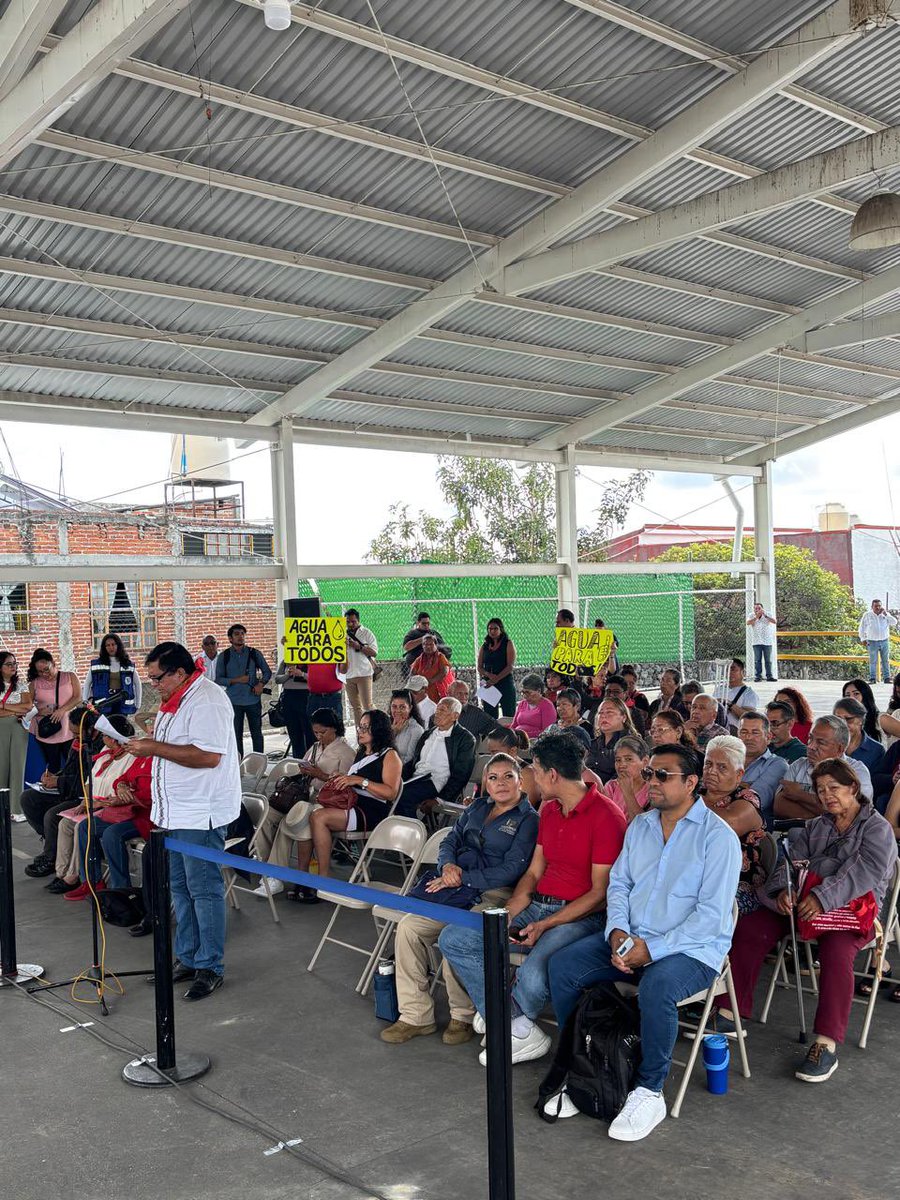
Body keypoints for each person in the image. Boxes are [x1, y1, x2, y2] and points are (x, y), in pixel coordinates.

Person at [546, 742, 740, 1142]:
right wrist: (617, 931)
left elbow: (710, 917)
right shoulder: (641, 826)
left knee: (657, 986)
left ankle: (649, 1089)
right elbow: (619, 885)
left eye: (662, 775)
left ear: (690, 783)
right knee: (563, 967)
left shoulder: (718, 839)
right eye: (649, 773)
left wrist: (649, 950)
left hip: (692, 950)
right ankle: (586, 1065)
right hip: (631, 939)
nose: (650, 781)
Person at [438, 730, 626, 1066]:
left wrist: (545, 924)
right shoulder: (551, 810)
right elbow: (534, 872)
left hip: (580, 915)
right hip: (538, 903)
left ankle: (508, 1024)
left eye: (535, 771)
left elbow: (600, 893)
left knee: (534, 975)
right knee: (455, 937)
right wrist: (509, 912)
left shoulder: (607, 816)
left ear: (551, 775)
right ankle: (515, 1024)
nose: (531, 777)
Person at [722, 758, 897, 1083]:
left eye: (835, 788)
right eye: (821, 790)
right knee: (750, 927)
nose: (828, 795)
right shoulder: (816, 826)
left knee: (836, 953)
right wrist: (784, 892)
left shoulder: (877, 828)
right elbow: (790, 865)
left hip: (850, 910)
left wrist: (821, 895)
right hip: (803, 902)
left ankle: (825, 1043)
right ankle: (729, 1011)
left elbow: (862, 874)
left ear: (853, 789)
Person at [381, 753, 539, 1046]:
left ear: (520, 780)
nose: (500, 783)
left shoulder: (529, 819)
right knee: (408, 927)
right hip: (451, 885)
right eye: (493, 777)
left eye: (508, 776)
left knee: (457, 935)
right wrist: (448, 867)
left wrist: (463, 878)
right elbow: (450, 840)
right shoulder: (477, 807)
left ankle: (462, 1016)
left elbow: (512, 869)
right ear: (485, 784)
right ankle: (416, 1016)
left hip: (494, 893)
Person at [128, 641, 241, 1001]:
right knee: (179, 887)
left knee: (204, 889)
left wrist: (153, 748)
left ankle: (210, 966)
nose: (154, 685)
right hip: (173, 811)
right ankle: (189, 957)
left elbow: (207, 756)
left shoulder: (207, 699)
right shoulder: (175, 699)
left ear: (180, 673)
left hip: (199, 812)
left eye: (158, 678)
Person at [295, 709, 402, 890]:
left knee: (318, 817)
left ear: (378, 729)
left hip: (371, 810)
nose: (360, 731)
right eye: (360, 726)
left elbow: (390, 793)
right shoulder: (362, 752)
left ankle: (323, 880)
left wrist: (361, 781)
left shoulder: (389, 755)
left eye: (366, 727)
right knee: (306, 814)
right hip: (353, 802)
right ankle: (304, 876)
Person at [251, 708, 355, 893]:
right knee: (267, 816)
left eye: (322, 732)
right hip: (303, 796)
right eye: (315, 732)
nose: (319, 736)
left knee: (290, 820)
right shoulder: (315, 747)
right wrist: (304, 770)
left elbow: (345, 785)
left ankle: (276, 874)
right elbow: (303, 769)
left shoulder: (345, 752)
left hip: (325, 801)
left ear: (334, 729)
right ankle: (267, 866)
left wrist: (320, 774)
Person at [68, 716, 153, 899]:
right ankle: (91, 881)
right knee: (85, 826)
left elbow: (149, 796)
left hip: (145, 815)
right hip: (125, 810)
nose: (149, 734)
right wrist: (121, 787)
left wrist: (119, 799)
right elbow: (121, 780)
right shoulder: (141, 757)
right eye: (149, 730)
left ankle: (121, 890)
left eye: (153, 732)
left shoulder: (156, 759)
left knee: (111, 834)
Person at [700, 735, 766, 913]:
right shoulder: (695, 792)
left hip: (736, 882)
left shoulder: (747, 799)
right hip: (694, 873)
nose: (712, 771)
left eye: (722, 767)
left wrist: (687, 799)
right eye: (708, 764)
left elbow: (727, 823)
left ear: (739, 774)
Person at [774, 715, 874, 820]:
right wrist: (825, 819)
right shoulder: (798, 766)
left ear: (840, 749)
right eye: (810, 738)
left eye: (820, 742)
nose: (810, 746)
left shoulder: (857, 771)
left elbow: (853, 813)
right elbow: (779, 805)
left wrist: (800, 795)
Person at [398, 696, 476, 816]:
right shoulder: (428, 734)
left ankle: (413, 831)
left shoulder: (465, 739)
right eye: (437, 710)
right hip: (415, 778)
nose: (437, 714)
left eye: (442, 710)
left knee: (402, 796)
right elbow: (415, 761)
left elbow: (461, 774)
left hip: (435, 782)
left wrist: (439, 799)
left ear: (455, 716)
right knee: (386, 790)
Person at [214, 624, 272, 755]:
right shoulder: (224, 656)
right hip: (234, 701)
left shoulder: (254, 653)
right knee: (236, 735)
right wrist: (237, 680)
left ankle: (259, 764)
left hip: (252, 700)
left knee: (256, 733)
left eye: (242, 634)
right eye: (237, 634)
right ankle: (238, 765)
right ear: (230, 638)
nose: (240, 637)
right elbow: (218, 679)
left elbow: (267, 672)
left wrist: (261, 684)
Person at [28, 649, 80, 772]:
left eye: (46, 669)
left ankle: (69, 789)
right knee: (52, 765)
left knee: (71, 763)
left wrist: (62, 710)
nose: (44, 674)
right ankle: (51, 788)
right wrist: (40, 712)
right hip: (47, 729)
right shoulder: (34, 684)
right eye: (40, 672)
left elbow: (78, 697)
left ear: (53, 663)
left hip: (68, 727)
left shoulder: (70, 676)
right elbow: (28, 707)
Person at [737, 712, 788, 829]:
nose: (748, 737)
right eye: (744, 732)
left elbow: (754, 801)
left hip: (752, 827)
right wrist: (742, 787)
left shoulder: (777, 765)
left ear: (768, 737)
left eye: (755, 733)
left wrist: (724, 787)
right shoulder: (727, 759)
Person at [0, 651, 30, 820]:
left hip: (18, 728)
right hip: (1, 729)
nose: (13, 667)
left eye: (15, 663)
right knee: (1, 767)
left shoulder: (21, 685)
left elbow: (27, 706)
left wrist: (4, 706)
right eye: (9, 664)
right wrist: (14, 708)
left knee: (18, 767)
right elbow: (22, 707)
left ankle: (16, 810)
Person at [82, 634, 142, 717]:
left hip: (122, 702)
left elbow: (137, 684)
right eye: (108, 645)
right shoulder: (97, 665)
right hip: (104, 704)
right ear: (104, 648)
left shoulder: (127, 664)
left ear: (118, 645)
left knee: (120, 727)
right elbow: (87, 683)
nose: (111, 647)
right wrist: (85, 701)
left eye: (113, 644)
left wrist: (138, 704)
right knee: (105, 728)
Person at [480, 727, 541, 808]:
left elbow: (524, 811)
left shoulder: (528, 774)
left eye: (495, 752)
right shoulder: (488, 767)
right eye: (490, 752)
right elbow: (483, 800)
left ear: (513, 751)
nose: (492, 756)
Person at [588, 697, 639, 784]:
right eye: (600, 713)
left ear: (624, 717)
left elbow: (623, 778)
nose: (603, 716)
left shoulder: (632, 744)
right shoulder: (593, 743)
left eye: (609, 712)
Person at [344, 608, 378, 729]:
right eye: (348, 621)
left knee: (367, 705)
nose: (350, 624)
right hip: (348, 675)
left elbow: (374, 653)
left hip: (364, 673)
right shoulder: (341, 633)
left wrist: (359, 646)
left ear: (358, 621)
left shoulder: (367, 633)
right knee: (356, 707)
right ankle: (360, 733)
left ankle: (380, 724)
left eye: (353, 621)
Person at [833, 697, 885, 775]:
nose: (843, 724)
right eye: (838, 719)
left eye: (849, 719)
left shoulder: (877, 750)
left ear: (861, 720)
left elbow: (876, 782)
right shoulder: (826, 744)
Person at [604, 735, 650, 822]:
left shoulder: (652, 790)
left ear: (645, 762)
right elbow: (605, 821)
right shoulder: (611, 787)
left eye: (628, 759)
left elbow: (644, 828)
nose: (622, 765)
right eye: (618, 760)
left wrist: (627, 792)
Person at [477, 617, 517, 718]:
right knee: (489, 715)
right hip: (488, 684)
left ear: (501, 629)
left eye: (495, 629)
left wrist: (497, 678)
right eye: (490, 629)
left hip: (505, 682)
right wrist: (488, 675)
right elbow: (479, 667)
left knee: (508, 714)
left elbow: (510, 666)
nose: (492, 631)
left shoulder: (508, 643)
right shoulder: (485, 646)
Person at [274, 658, 311, 759]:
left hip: (306, 695)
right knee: (294, 733)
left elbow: (316, 678)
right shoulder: (286, 660)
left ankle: (311, 760)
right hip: (289, 696)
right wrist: (288, 674)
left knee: (309, 732)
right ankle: (298, 761)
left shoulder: (311, 658)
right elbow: (277, 679)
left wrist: (301, 674)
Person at [447, 679, 504, 744]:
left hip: (468, 753)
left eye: (466, 694)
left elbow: (498, 729)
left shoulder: (476, 713)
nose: (463, 697)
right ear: (449, 694)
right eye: (459, 694)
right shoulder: (440, 711)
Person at [858, 598, 898, 684]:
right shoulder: (867, 615)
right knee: (873, 661)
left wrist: (886, 614)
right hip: (872, 641)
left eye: (879, 606)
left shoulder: (885, 614)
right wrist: (863, 638)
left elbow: (894, 622)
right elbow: (862, 627)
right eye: (876, 606)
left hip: (884, 640)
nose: (878, 608)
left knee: (885, 660)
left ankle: (887, 678)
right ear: (872, 606)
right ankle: (872, 678)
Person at [511, 674, 557, 741]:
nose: (525, 696)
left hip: (537, 741)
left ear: (538, 691)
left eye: (528, 692)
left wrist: (524, 735)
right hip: (518, 739)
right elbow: (514, 725)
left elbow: (547, 731)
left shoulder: (547, 706)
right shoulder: (522, 704)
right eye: (523, 692)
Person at [717, 658, 759, 732]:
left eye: (733, 669)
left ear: (743, 672)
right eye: (727, 670)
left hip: (736, 731)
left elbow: (749, 717)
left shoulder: (749, 693)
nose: (729, 672)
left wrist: (729, 704)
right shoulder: (719, 689)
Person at [410, 634, 453, 703]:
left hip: (438, 692)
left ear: (436, 645)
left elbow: (444, 671)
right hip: (424, 692)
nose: (428, 646)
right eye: (425, 644)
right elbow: (412, 673)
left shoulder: (440, 657)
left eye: (431, 644)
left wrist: (430, 681)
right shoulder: (419, 659)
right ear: (422, 646)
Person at [842, 679, 884, 744]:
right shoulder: (841, 721)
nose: (851, 698)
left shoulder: (880, 718)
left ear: (865, 695)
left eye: (856, 694)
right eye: (847, 695)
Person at [389, 689, 425, 765]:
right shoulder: (387, 724)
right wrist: (393, 732)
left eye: (402, 707)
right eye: (394, 706)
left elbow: (409, 761)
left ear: (410, 708)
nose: (398, 711)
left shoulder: (416, 730)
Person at [747, 602, 778, 682]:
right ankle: (758, 676)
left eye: (759, 608)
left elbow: (774, 621)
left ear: (762, 608)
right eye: (755, 608)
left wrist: (765, 615)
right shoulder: (751, 615)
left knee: (768, 660)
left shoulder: (767, 614)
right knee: (757, 660)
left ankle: (769, 676)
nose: (757, 610)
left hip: (767, 641)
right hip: (756, 641)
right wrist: (756, 617)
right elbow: (748, 623)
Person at [306, 657, 344, 721]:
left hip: (333, 696)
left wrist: (344, 656)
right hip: (314, 697)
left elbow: (343, 670)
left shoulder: (336, 648)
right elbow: (291, 663)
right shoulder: (309, 649)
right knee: (312, 727)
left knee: (335, 726)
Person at [554, 687, 592, 751]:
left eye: (564, 704)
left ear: (577, 706)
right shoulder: (555, 725)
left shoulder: (586, 727)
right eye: (558, 705)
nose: (560, 708)